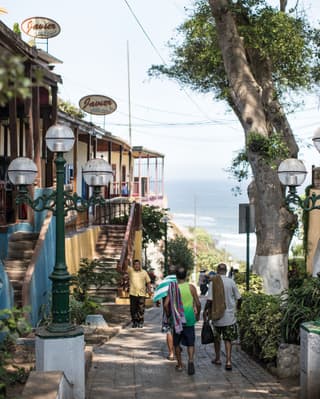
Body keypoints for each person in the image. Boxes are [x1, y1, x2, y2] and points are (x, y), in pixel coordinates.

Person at [203, 263, 241, 371]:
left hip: (217, 316)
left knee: (217, 338)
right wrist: (238, 308)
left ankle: (218, 358)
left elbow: (209, 300)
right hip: (229, 316)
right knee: (228, 339)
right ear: (226, 270)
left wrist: (205, 310)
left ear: (217, 270)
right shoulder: (231, 281)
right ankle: (228, 361)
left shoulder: (213, 282)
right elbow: (239, 297)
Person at [164, 266, 201, 375]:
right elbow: (198, 304)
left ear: (176, 276)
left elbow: (166, 304)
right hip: (189, 319)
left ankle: (179, 365)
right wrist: (198, 314)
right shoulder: (191, 287)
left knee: (176, 343)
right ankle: (190, 360)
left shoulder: (173, 288)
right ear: (186, 275)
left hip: (177, 320)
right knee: (190, 343)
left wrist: (169, 315)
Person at [153, 264, 177, 361]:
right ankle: (177, 350)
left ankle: (171, 353)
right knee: (178, 331)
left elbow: (158, 296)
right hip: (179, 312)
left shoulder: (164, 283)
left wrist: (158, 302)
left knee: (169, 332)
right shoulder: (180, 282)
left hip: (168, 312)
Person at [119, 259, 152, 328]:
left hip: (142, 294)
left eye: (138, 264)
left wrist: (149, 291)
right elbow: (125, 266)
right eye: (135, 264)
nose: (137, 266)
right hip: (133, 293)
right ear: (133, 265)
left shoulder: (144, 272)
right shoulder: (131, 271)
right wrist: (126, 259)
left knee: (141, 309)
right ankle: (134, 322)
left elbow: (148, 282)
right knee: (133, 309)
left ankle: (140, 322)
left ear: (140, 265)